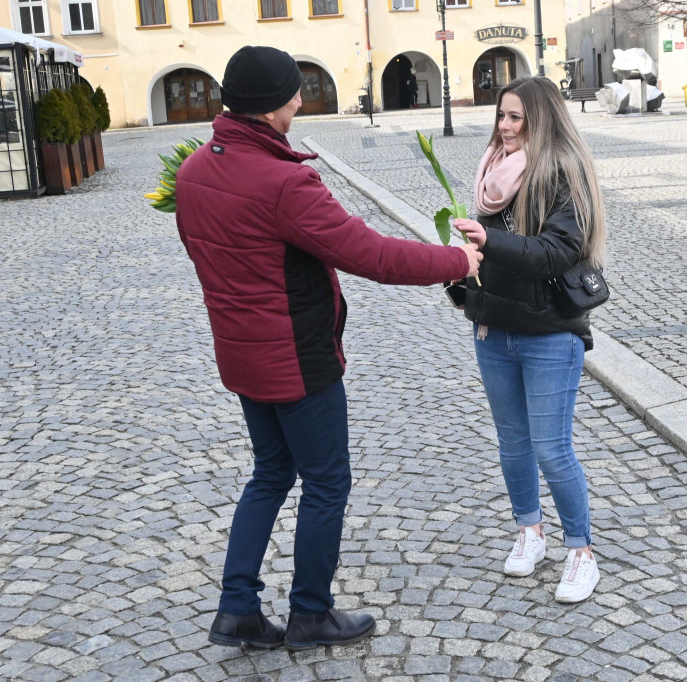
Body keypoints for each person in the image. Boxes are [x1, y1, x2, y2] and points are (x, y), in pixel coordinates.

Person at [175, 45, 483, 651]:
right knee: (325, 482)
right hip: (296, 355)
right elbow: (369, 253)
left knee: (268, 474)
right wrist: (458, 260)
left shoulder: (195, 171)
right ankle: (311, 613)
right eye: (294, 90)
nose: (299, 98)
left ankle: (237, 608)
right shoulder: (285, 181)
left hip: (241, 353)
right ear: (274, 105)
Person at [452, 76, 606, 604]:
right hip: (494, 329)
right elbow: (491, 253)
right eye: (501, 116)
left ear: (541, 119)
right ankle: (530, 532)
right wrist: (462, 270)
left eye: (516, 117)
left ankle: (581, 552)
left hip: (548, 335)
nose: (505, 126)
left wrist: (488, 240)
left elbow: (554, 253)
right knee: (512, 443)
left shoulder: (566, 175)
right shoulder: (493, 173)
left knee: (552, 449)